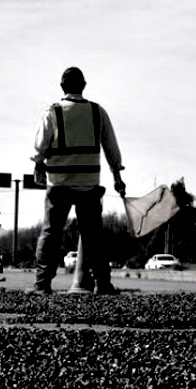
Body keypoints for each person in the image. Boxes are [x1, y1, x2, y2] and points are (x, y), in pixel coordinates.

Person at [31, 67, 126, 294]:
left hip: (59, 183)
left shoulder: (51, 112)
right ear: (84, 86)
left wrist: (38, 165)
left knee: (51, 234)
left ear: (62, 87)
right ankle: (102, 284)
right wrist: (117, 177)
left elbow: (40, 148)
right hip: (89, 184)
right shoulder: (97, 112)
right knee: (93, 236)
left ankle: (42, 285)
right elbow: (111, 148)